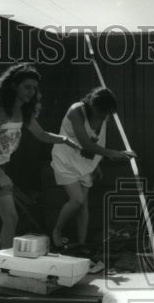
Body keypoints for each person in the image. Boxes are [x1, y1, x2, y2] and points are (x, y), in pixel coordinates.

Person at [0, 64, 79, 275]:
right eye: (27, 87)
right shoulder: (0, 110)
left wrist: (65, 139)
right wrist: (0, 175)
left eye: (34, 88)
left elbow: (42, 134)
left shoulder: (23, 112)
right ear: (14, 86)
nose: (31, 92)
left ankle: (3, 265)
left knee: (11, 218)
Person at [50, 87, 134, 249]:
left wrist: (96, 164)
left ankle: (81, 244)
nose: (102, 116)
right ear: (91, 104)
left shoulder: (105, 113)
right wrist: (115, 154)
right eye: (100, 112)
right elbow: (86, 143)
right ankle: (57, 231)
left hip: (87, 163)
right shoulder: (76, 111)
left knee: (84, 204)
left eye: (105, 113)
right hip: (66, 160)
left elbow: (98, 140)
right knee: (77, 199)